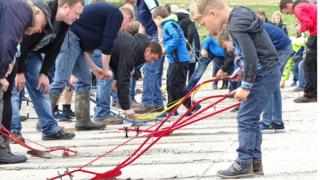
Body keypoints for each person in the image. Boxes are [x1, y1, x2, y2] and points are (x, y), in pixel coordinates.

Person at [191, 0, 280, 178]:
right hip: (268, 70)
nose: (206, 29)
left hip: (264, 73)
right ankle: (255, 163)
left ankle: (243, 163)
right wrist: (240, 70)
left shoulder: (235, 24)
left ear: (212, 14)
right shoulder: (239, 14)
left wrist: (246, 86)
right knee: (251, 118)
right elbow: (253, 51)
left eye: (203, 23)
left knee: (245, 118)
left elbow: (251, 55)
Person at [12, 0, 84, 141]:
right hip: (17, 52)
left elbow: (55, 49)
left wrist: (44, 73)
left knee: (41, 89)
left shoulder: (64, 24)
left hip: (33, 55)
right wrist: (19, 72)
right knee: (14, 91)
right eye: (76, 13)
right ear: (65, 7)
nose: (78, 17)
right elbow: (23, 41)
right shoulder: (44, 12)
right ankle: (13, 131)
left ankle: (50, 129)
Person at [49, 2, 126, 129]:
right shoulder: (116, 15)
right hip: (69, 38)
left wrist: (95, 69)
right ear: (126, 17)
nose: (123, 29)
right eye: (125, 26)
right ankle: (44, 121)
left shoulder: (95, 25)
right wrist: (106, 70)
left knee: (85, 79)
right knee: (60, 80)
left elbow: (83, 51)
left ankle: (83, 121)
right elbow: (107, 45)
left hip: (75, 41)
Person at [0, 0, 53, 163]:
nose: (38, 30)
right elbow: (6, 41)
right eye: (42, 24)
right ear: (37, 12)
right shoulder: (21, 10)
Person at [86, 32, 163, 124]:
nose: (151, 62)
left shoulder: (137, 47)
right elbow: (124, 80)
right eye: (153, 58)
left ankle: (102, 112)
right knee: (107, 77)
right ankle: (101, 114)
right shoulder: (132, 51)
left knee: (110, 76)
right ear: (148, 51)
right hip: (97, 48)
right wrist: (126, 108)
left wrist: (116, 79)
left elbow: (116, 60)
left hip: (103, 48)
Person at [152, 6, 200, 116]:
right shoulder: (167, 25)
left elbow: (177, 38)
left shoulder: (169, 25)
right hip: (174, 60)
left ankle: (193, 105)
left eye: (154, 20)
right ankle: (171, 109)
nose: (154, 23)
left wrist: (165, 49)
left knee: (176, 85)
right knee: (170, 84)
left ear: (158, 18)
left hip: (180, 60)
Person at [125, 0, 165, 114]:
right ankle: (158, 103)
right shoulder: (137, 5)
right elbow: (142, 24)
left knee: (149, 69)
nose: (127, 2)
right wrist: (137, 40)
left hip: (156, 35)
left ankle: (147, 103)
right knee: (146, 69)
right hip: (148, 36)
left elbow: (159, 18)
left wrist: (160, 40)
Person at [256, 10, 293, 133]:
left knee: (268, 83)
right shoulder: (255, 27)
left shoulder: (255, 30)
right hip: (283, 48)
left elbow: (263, 51)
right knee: (274, 86)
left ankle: (267, 122)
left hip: (281, 49)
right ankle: (277, 122)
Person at [280, 0, 317, 103]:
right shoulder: (306, 4)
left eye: (287, 12)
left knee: (308, 64)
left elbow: (308, 22)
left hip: (316, 34)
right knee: (313, 64)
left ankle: (310, 94)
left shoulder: (297, 8)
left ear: (287, 6)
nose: (291, 14)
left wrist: (300, 29)